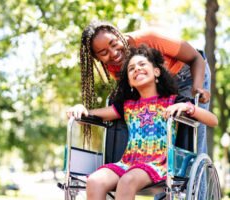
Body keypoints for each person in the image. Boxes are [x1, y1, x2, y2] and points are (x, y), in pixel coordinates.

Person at [68, 45, 218, 200]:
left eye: (142, 65)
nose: (137, 69)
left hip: (159, 164)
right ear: (130, 82)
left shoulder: (174, 101)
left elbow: (213, 120)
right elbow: (94, 114)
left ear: (156, 71)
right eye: (131, 68)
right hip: (127, 162)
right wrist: (80, 108)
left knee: (127, 181)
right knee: (94, 181)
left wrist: (188, 107)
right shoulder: (127, 106)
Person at [80, 20, 211, 155]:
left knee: (190, 138)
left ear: (118, 35)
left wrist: (197, 88)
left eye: (114, 44)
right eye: (103, 53)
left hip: (189, 76)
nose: (113, 53)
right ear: (96, 58)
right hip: (160, 86)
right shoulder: (113, 66)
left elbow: (196, 58)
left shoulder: (150, 38)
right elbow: (130, 101)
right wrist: (87, 112)